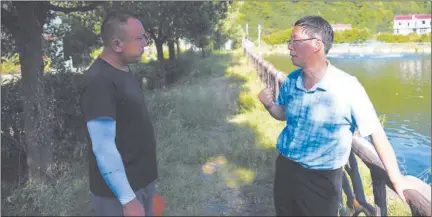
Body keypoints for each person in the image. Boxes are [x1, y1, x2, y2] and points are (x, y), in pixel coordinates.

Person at [258, 15, 412, 216]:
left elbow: (376, 133)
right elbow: (284, 114)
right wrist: (269, 105)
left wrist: (397, 178)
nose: (289, 46)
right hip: (286, 169)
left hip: (322, 180)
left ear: (316, 45)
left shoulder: (348, 87)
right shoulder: (292, 80)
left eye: (294, 40)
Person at [80, 11, 158, 216]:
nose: (145, 43)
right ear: (116, 45)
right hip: (117, 196)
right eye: (140, 38)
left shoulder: (123, 70)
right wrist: (128, 199)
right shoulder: (99, 81)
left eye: (145, 37)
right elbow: (103, 147)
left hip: (140, 184)